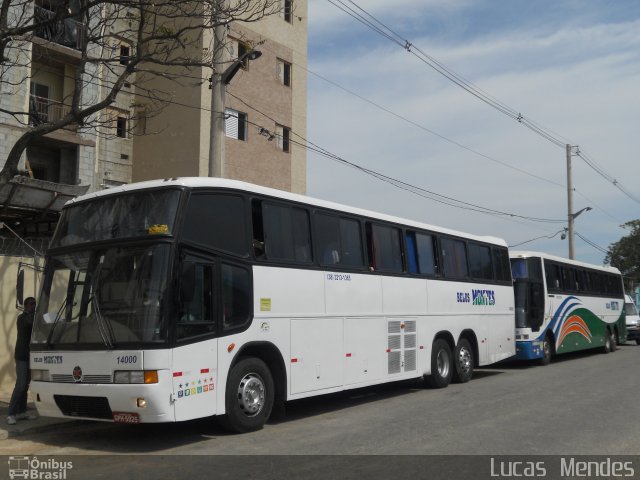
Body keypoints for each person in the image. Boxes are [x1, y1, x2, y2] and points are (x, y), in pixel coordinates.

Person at [6, 297, 38, 425]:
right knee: (20, 385)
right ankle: (11, 413)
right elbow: (29, 322)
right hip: (21, 356)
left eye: (35, 304)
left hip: (31, 356)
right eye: (31, 304)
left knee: (25, 385)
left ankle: (21, 411)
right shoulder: (22, 318)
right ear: (25, 306)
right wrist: (37, 314)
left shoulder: (34, 318)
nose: (33, 306)